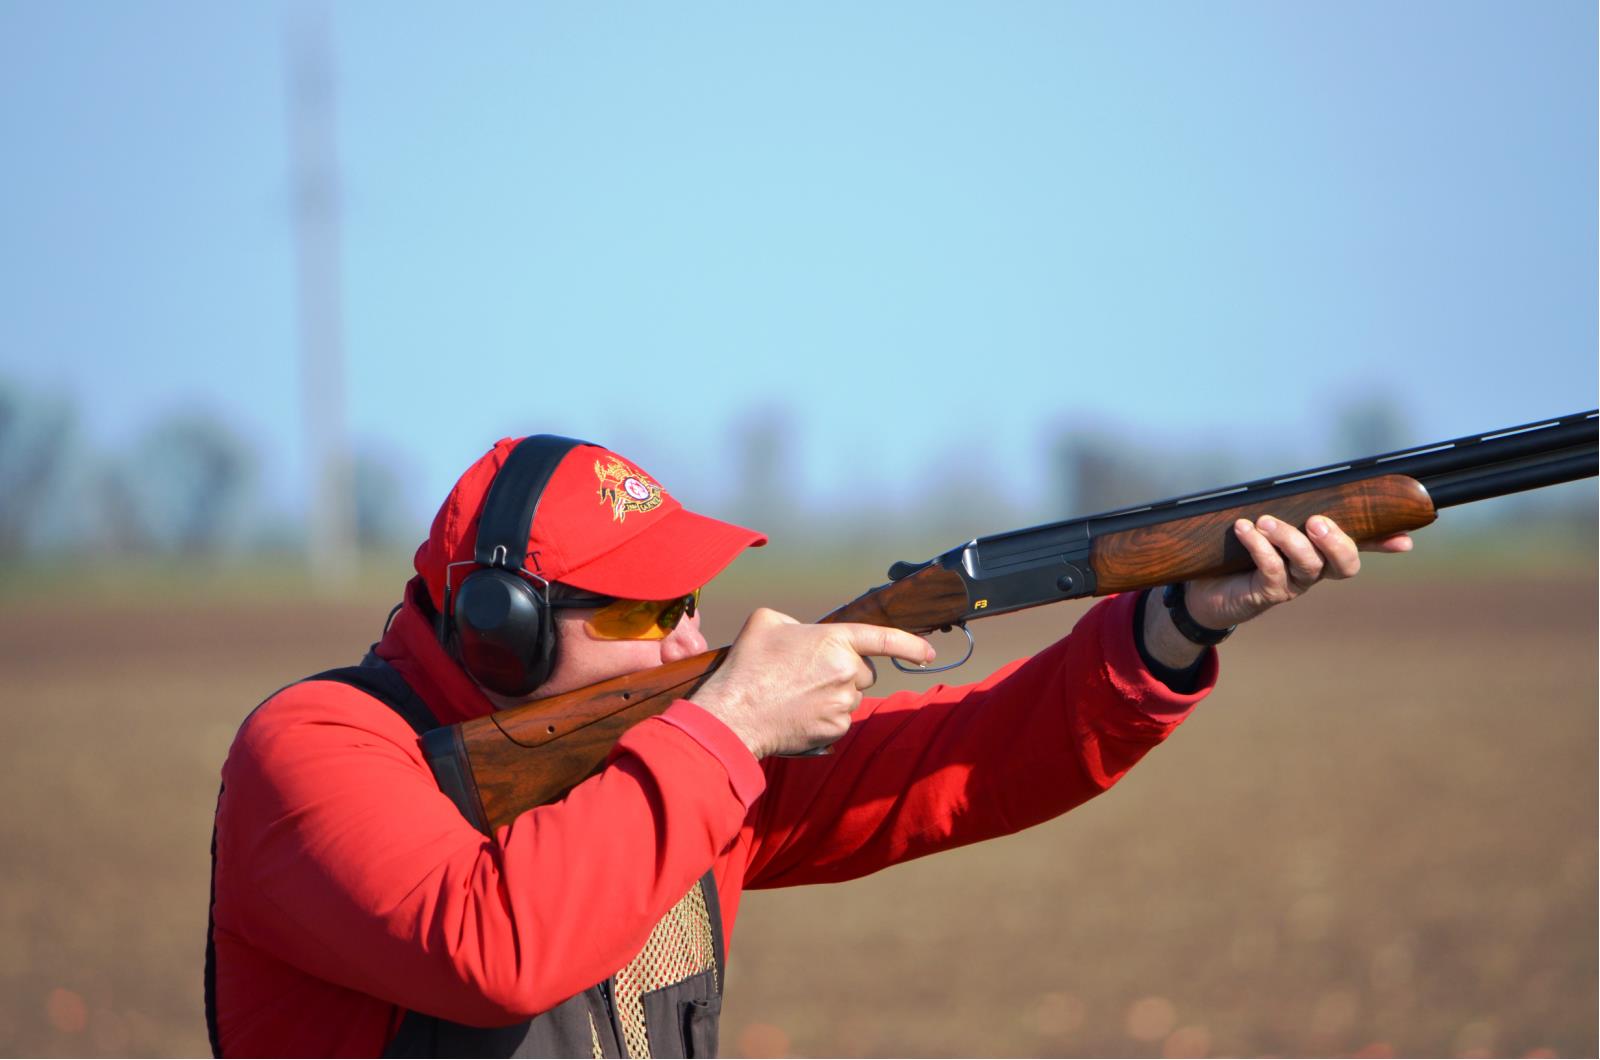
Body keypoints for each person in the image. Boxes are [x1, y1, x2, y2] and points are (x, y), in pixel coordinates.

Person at [206, 435, 1411, 1058]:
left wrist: (1171, 628)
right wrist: (727, 723)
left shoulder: (670, 760)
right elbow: (493, 949)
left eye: (688, 600)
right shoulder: (317, 750)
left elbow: (972, 764)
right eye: (636, 614)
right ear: (496, 629)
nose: (688, 637)